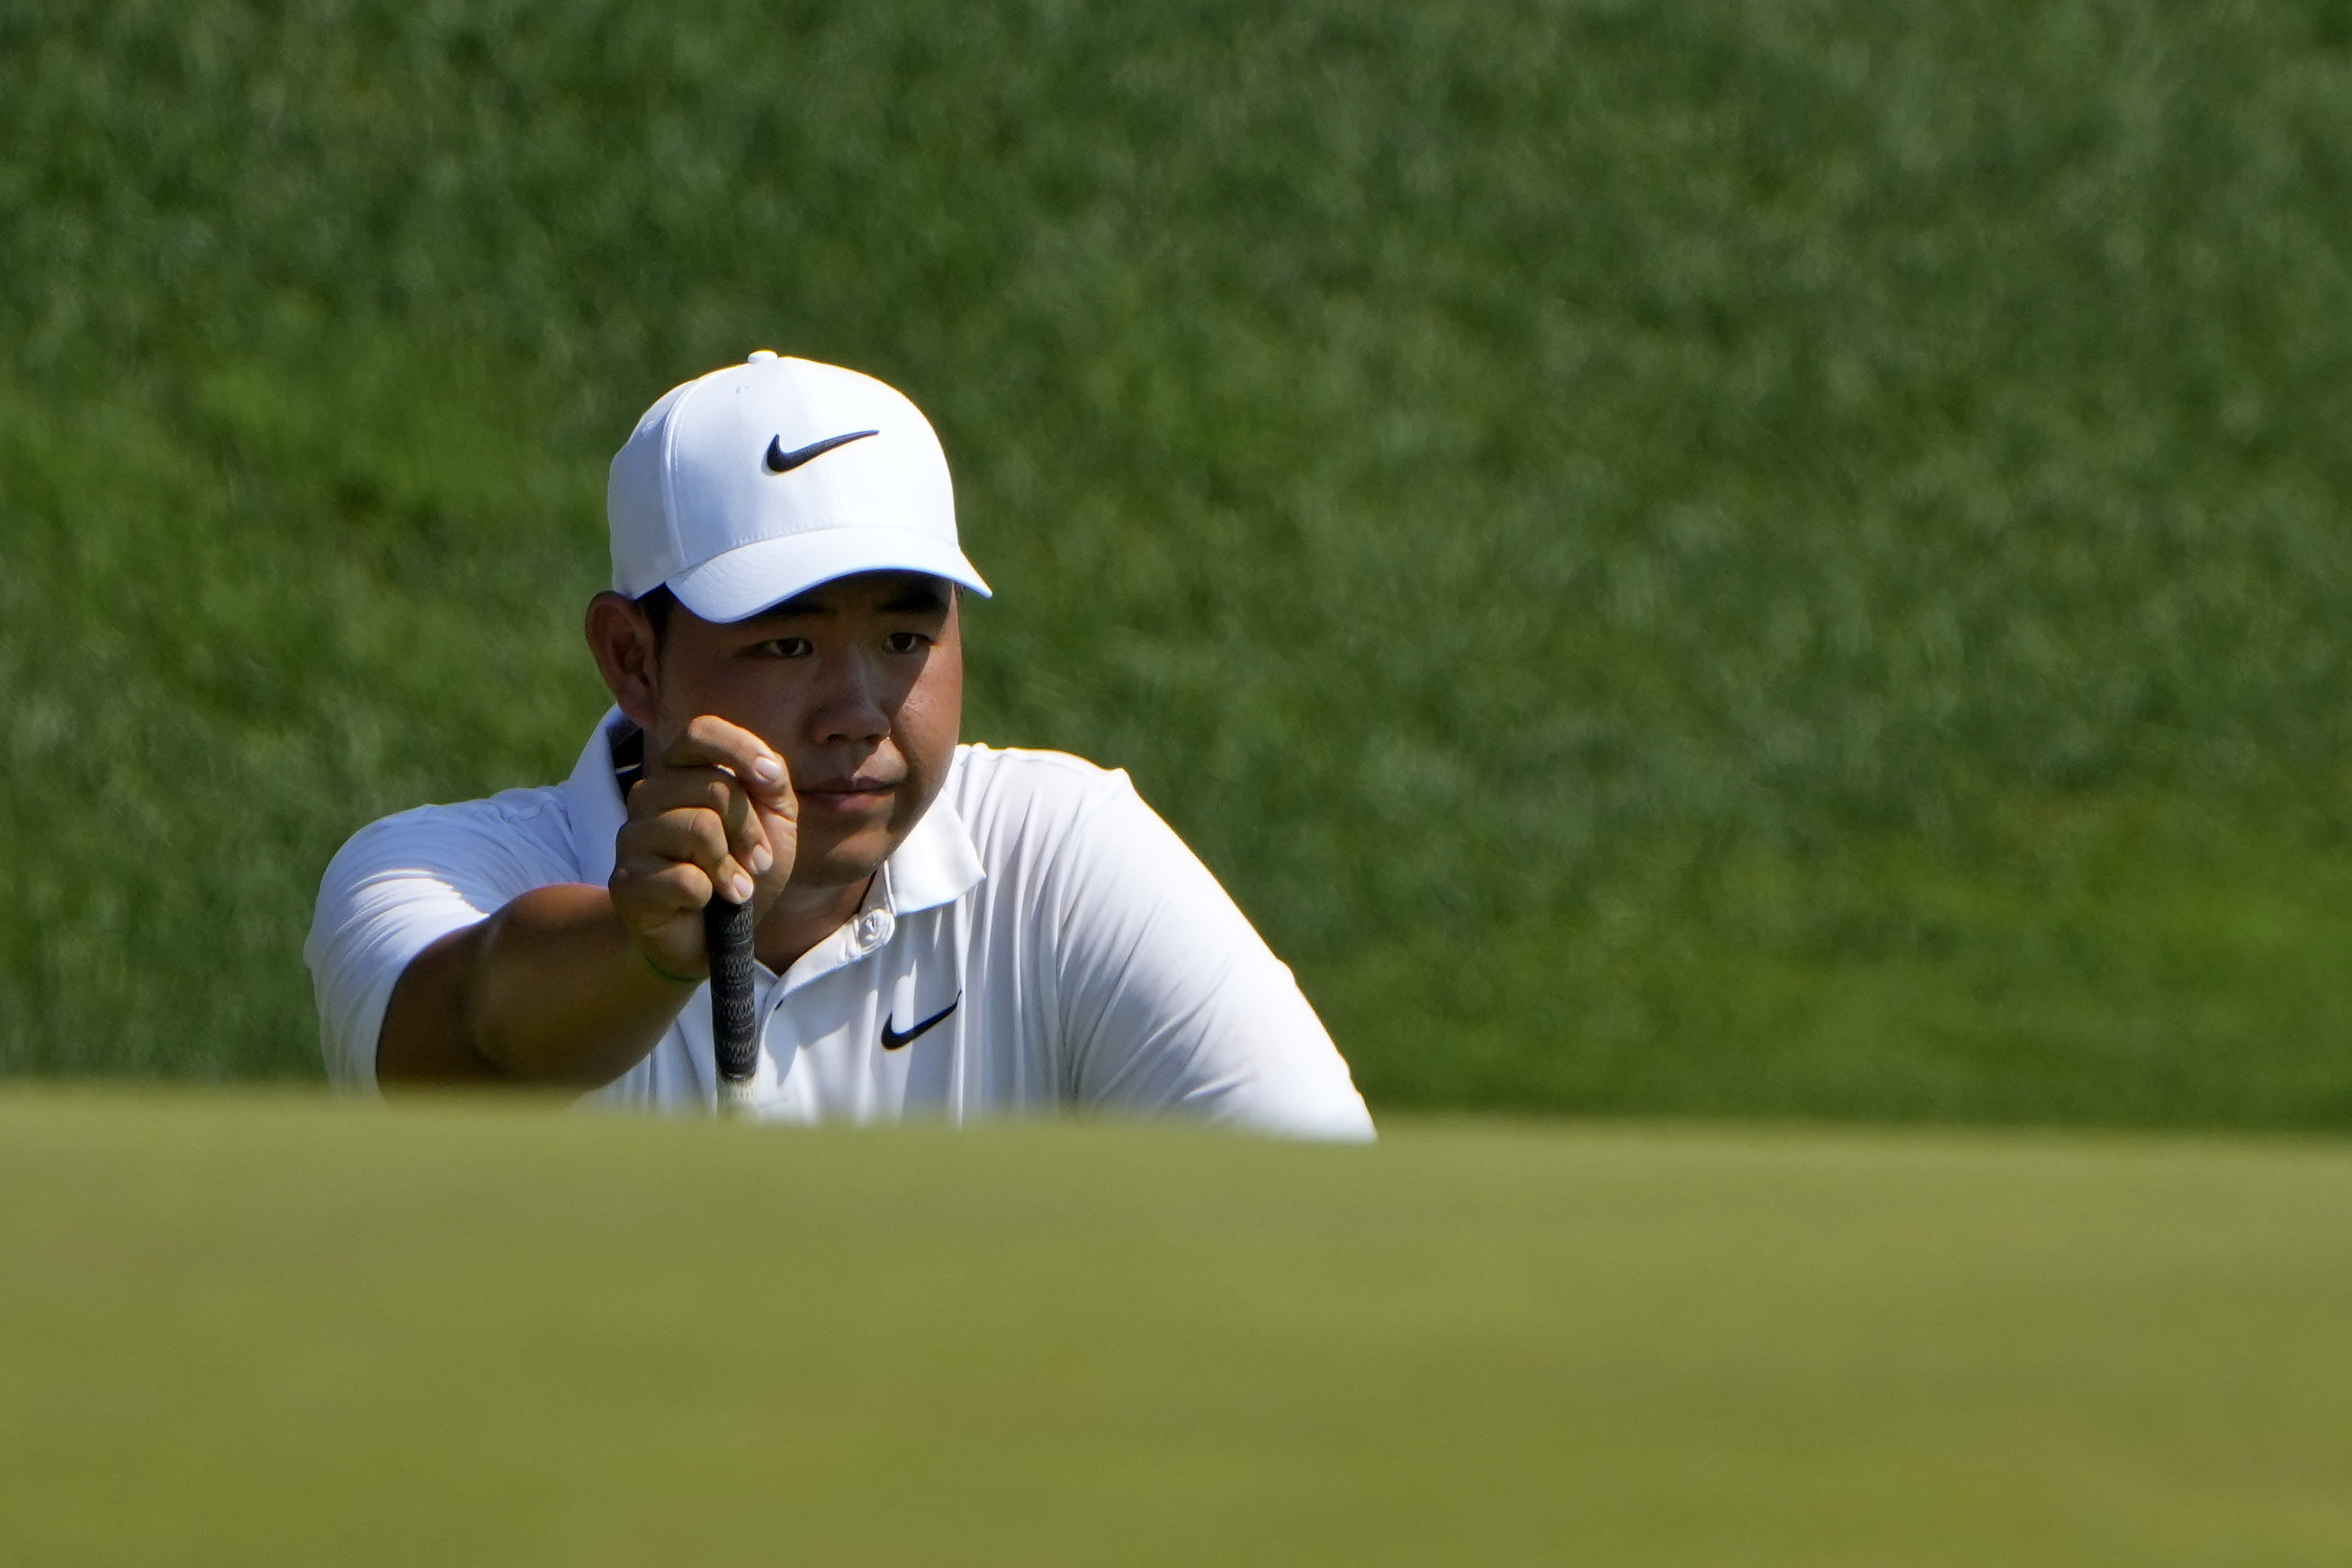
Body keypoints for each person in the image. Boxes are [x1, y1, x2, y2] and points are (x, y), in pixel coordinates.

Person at [305, 352, 1374, 1139]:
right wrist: (639, 953)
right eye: (785, 642)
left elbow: (1327, 1210)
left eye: (905, 637)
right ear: (632, 657)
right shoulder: (428, 871)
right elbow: (468, 1043)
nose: (856, 709)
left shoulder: (1060, 850)